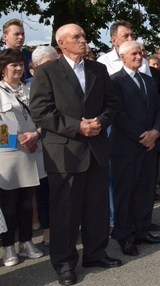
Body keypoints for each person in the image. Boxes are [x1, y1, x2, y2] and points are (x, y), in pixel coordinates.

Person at [30, 24, 123, 286]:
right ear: (61, 43)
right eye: (77, 37)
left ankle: (95, 253)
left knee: (97, 208)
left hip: (95, 149)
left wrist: (100, 123)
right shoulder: (47, 71)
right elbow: (41, 111)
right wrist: (77, 126)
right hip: (65, 153)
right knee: (65, 212)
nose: (83, 40)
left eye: (84, 35)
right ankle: (64, 263)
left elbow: (111, 103)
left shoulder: (98, 69)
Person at [109, 41, 160, 256]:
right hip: (126, 148)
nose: (139, 56)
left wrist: (156, 132)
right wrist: (143, 136)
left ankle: (142, 230)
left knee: (145, 190)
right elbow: (118, 115)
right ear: (122, 57)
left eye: (141, 52)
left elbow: (158, 111)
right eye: (134, 53)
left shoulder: (148, 80)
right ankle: (125, 235)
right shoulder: (115, 82)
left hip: (149, 147)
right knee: (125, 193)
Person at [0, 49, 45, 267]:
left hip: (32, 151)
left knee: (27, 202)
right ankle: (8, 246)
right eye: (12, 65)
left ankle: (26, 242)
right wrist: (16, 139)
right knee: (8, 204)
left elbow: (43, 116)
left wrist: (35, 135)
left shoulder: (30, 88)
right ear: (3, 68)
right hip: (8, 155)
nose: (18, 68)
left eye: (20, 64)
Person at [28, 46, 58, 248]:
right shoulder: (25, 88)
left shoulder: (65, 83)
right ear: (35, 67)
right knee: (41, 192)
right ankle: (45, 229)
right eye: (49, 63)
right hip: (31, 148)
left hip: (58, 145)